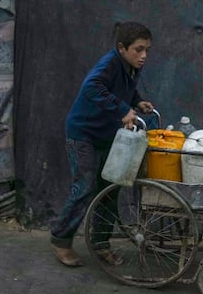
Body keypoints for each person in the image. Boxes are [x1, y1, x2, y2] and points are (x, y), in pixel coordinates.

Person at [50, 21, 154, 267]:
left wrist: (137, 102)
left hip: (107, 135)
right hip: (83, 134)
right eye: (138, 49)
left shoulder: (131, 67)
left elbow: (123, 90)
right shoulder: (109, 64)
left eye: (147, 50)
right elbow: (92, 87)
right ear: (122, 48)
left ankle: (100, 243)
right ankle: (61, 240)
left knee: (110, 188)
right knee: (85, 186)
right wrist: (121, 109)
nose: (144, 56)